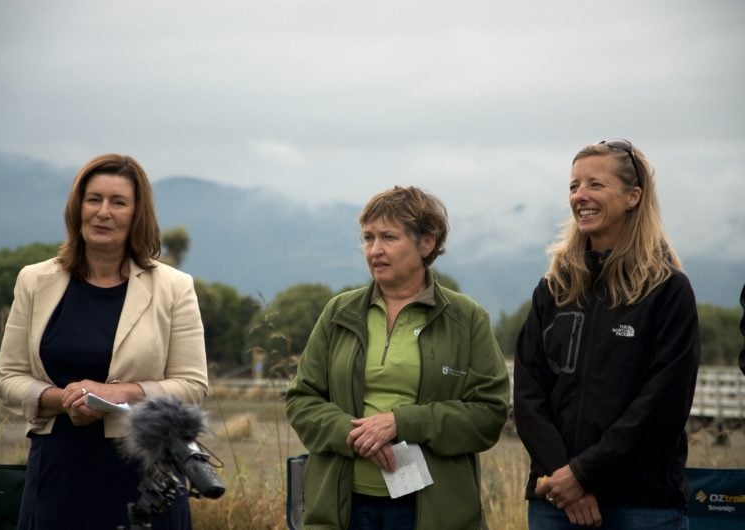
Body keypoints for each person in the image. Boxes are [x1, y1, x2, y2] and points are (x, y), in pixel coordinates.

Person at [0, 154, 209, 530]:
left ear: (137, 213)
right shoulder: (34, 280)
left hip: (145, 479)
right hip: (58, 475)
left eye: (118, 202)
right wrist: (64, 399)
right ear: (77, 208)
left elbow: (192, 387)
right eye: (93, 199)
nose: (103, 212)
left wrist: (115, 394)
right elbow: (8, 378)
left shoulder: (174, 288)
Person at [285, 185, 510, 530]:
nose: (375, 250)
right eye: (367, 238)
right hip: (342, 507)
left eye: (388, 237)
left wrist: (401, 423)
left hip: (432, 511)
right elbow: (302, 400)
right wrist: (354, 434)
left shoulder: (466, 318)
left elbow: (489, 414)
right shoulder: (338, 312)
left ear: (427, 243)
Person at [514, 139, 700, 529]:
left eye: (595, 185)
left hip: (641, 505)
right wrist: (564, 477)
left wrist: (583, 474)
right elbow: (529, 392)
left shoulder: (667, 291)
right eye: (573, 186)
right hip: (555, 502)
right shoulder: (553, 289)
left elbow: (662, 405)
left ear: (634, 196)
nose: (580, 196)